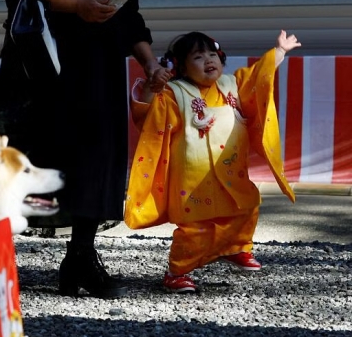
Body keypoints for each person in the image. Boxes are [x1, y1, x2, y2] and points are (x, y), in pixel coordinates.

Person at [0, 0, 169, 299]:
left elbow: (127, 8)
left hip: (99, 61)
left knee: (95, 155)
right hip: (42, 56)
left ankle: (81, 257)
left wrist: (149, 64)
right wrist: (75, 4)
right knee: (3, 151)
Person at [125, 30, 300, 293]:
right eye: (198, 56)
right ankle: (177, 271)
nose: (209, 60)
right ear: (180, 66)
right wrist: (153, 87)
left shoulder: (232, 84)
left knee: (245, 208)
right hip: (193, 177)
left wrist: (279, 52)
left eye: (212, 54)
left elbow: (258, 77)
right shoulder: (175, 93)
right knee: (196, 227)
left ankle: (236, 248)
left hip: (230, 169)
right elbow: (151, 118)